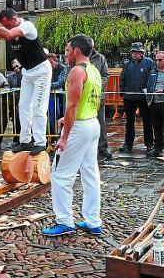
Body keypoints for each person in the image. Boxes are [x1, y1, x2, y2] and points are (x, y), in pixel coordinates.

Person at [42, 34, 103, 237]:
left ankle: (65, 221)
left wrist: (64, 136)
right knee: (90, 174)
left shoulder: (77, 71)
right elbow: (87, 102)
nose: (66, 54)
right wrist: (66, 119)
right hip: (92, 123)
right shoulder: (93, 70)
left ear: (76, 50)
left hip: (79, 127)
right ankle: (93, 220)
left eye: (68, 50)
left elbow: (73, 105)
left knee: (60, 175)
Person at [0, 8, 52, 155]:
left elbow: (8, 34)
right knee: (23, 106)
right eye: (4, 26)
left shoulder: (27, 26)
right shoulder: (7, 29)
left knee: (38, 107)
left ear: (15, 18)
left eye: (8, 25)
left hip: (41, 70)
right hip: (27, 72)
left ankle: (40, 142)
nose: (7, 28)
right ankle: (25, 141)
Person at [119, 42, 154, 153]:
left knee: (147, 121)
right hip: (129, 96)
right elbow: (123, 78)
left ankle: (149, 144)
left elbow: (152, 78)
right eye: (133, 52)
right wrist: (122, 91)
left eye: (137, 52)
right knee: (129, 122)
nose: (134, 54)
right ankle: (128, 144)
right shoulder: (127, 64)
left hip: (143, 96)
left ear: (142, 53)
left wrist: (150, 92)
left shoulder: (149, 62)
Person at [90, 41, 112, 160]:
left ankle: (102, 147)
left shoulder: (100, 58)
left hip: (98, 95)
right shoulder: (80, 57)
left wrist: (97, 86)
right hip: (83, 95)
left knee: (101, 121)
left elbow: (105, 75)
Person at [7, 59, 22, 145]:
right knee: (15, 120)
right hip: (14, 101)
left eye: (17, 66)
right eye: (14, 67)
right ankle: (16, 138)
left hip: (24, 100)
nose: (16, 68)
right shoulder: (10, 77)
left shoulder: (24, 74)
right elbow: (8, 87)